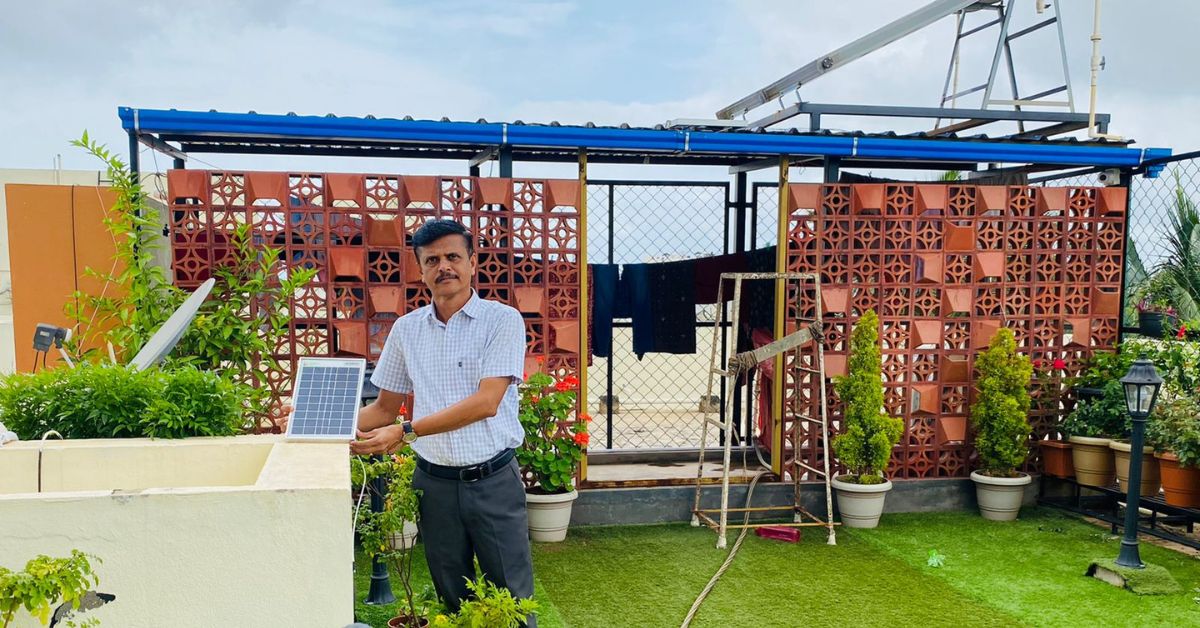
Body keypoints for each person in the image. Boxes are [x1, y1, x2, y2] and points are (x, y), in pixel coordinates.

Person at [288, 219, 536, 625]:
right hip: (433, 484)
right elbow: (383, 410)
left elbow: (487, 402)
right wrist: (311, 420)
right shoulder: (407, 330)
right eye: (432, 260)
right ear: (420, 270)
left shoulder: (502, 320)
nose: (445, 267)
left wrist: (407, 431)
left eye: (454, 257)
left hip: (492, 480)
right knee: (452, 599)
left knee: (512, 599)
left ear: (473, 262)